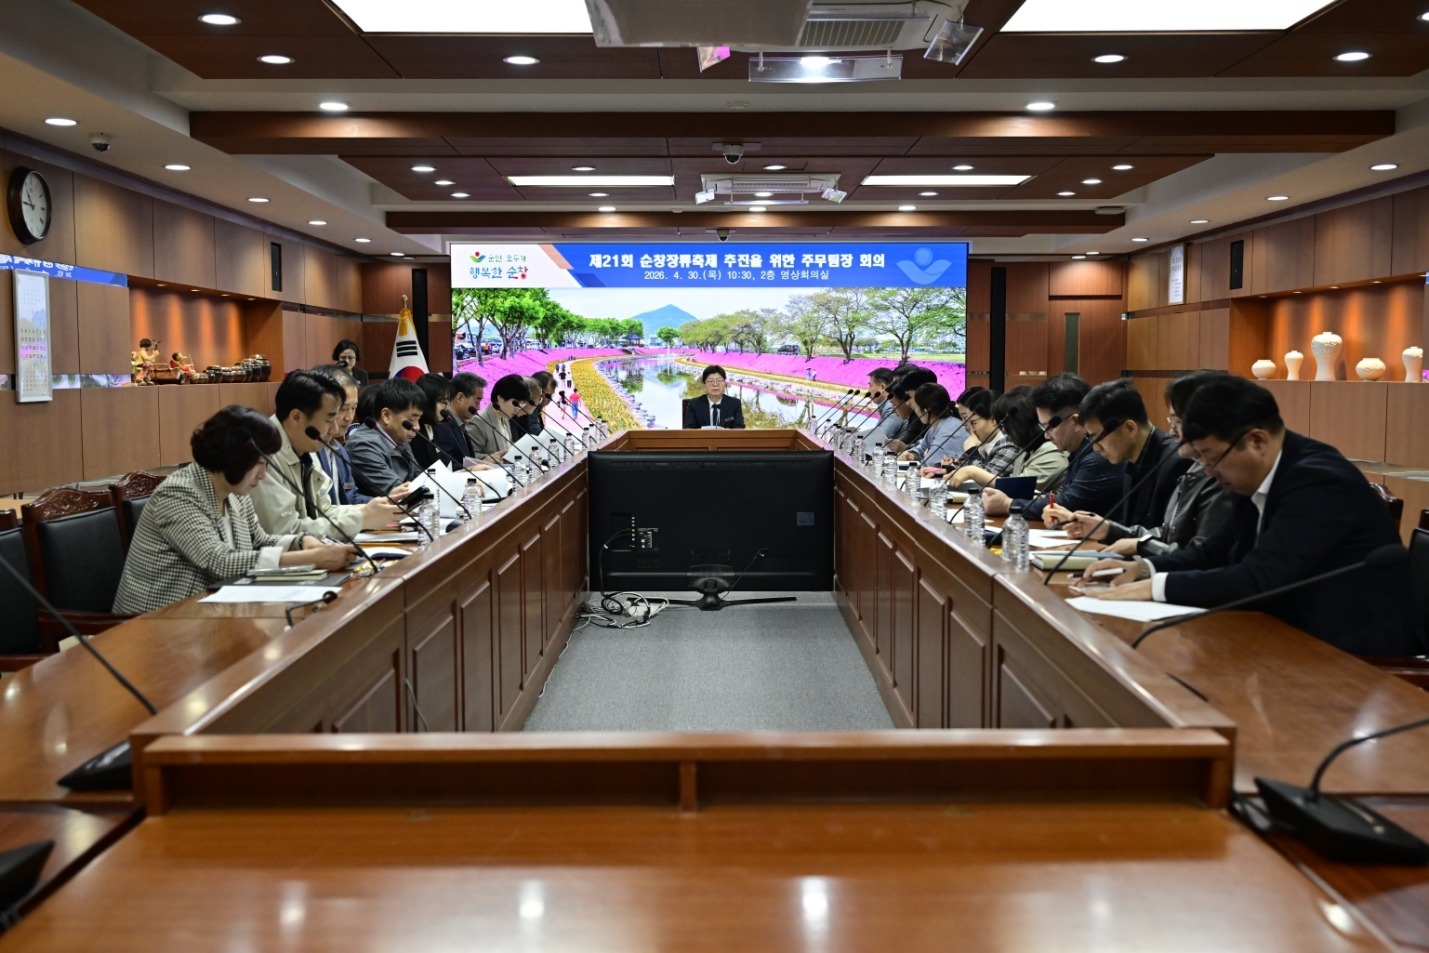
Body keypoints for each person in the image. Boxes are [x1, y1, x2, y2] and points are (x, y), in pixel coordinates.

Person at [1081, 377, 1425, 657]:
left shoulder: (1317, 480)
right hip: (1287, 631)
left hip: (1353, 647)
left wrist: (1155, 588)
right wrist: (1144, 569)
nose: (1209, 472)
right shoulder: (1256, 473)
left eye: (1212, 457)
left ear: (1257, 440)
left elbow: (1262, 577)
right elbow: (1214, 551)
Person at [112, 406, 354, 614]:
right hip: (158, 620)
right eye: (259, 464)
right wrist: (309, 558)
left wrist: (302, 542)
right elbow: (219, 560)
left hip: (214, 611)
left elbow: (260, 541)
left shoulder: (234, 492)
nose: (264, 474)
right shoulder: (178, 493)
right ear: (233, 457)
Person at [1095, 370, 1234, 557]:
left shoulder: (1218, 476)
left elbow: (1204, 556)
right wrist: (1111, 530)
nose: (1171, 432)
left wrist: (1141, 551)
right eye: (1171, 421)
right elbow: (1170, 533)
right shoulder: (1195, 467)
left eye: (1177, 422)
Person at [250, 370, 404, 539]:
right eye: (329, 420)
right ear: (296, 418)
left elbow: (324, 511)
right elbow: (286, 531)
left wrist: (369, 510)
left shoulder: (306, 442)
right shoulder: (263, 455)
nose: (335, 429)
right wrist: (361, 519)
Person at [1058, 379, 1191, 541]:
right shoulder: (1129, 458)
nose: (1095, 448)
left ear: (1129, 428)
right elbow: (1131, 526)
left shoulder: (1176, 462)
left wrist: (1110, 531)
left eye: (1097, 438)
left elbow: (1169, 536)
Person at [992, 373, 1125, 521]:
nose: (1047, 436)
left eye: (1049, 428)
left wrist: (1008, 504)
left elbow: (1068, 504)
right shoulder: (1078, 450)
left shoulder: (1099, 454)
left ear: (1075, 421)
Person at [346, 377, 426, 497]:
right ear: (386, 416)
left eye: (418, 419)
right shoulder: (363, 445)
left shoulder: (398, 438)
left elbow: (422, 478)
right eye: (411, 419)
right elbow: (398, 493)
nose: (417, 427)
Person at [311, 364, 374, 505]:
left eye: (354, 408)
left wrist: (387, 503)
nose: (349, 417)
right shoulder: (309, 451)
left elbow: (350, 499)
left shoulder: (340, 450)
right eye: (344, 409)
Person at [986, 388, 1068, 494]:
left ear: (1020, 423)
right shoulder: (1026, 450)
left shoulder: (1052, 450)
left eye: (1006, 426)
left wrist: (974, 472)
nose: (1005, 433)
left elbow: (1016, 489)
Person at [944, 387, 1017, 486]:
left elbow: (987, 479)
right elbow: (965, 470)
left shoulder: (1008, 444)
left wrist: (972, 451)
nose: (971, 428)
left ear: (994, 419)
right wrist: (947, 471)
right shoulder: (984, 441)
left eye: (973, 423)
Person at [466, 373, 531, 460]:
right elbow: (470, 457)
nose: (517, 409)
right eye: (516, 404)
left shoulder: (505, 417)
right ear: (500, 398)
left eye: (521, 404)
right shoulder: (478, 422)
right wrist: (491, 458)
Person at [897, 383, 966, 464]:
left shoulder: (949, 431)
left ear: (926, 411)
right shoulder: (937, 425)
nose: (915, 411)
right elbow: (922, 447)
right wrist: (912, 455)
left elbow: (930, 464)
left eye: (916, 408)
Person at [882, 368, 936, 452]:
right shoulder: (920, 416)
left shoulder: (935, 419)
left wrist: (906, 448)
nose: (907, 403)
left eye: (909, 397)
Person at [410, 373, 455, 470]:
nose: (446, 409)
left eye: (448, 403)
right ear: (427, 401)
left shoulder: (433, 427)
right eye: (443, 402)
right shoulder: (414, 433)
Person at [438, 372, 484, 463]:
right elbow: (448, 466)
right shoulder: (443, 426)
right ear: (460, 398)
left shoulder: (460, 423)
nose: (479, 407)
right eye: (476, 401)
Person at [683, 364, 745, 429]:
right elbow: (688, 429)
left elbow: (739, 428)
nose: (715, 384)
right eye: (711, 381)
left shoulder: (735, 404)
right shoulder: (694, 404)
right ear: (704, 386)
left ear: (725, 384)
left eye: (719, 380)